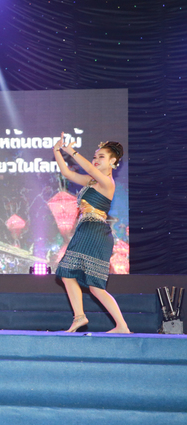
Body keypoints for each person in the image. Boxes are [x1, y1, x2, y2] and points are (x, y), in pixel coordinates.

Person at [54, 135, 130, 333]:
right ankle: (115, 324)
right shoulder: (91, 181)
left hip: (95, 230)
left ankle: (85, 317)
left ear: (113, 161)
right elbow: (67, 173)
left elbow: (89, 168)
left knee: (73, 274)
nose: (96, 160)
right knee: (77, 278)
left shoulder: (107, 183)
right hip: (86, 229)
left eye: (101, 157)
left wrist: (72, 151)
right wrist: (57, 151)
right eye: (95, 156)